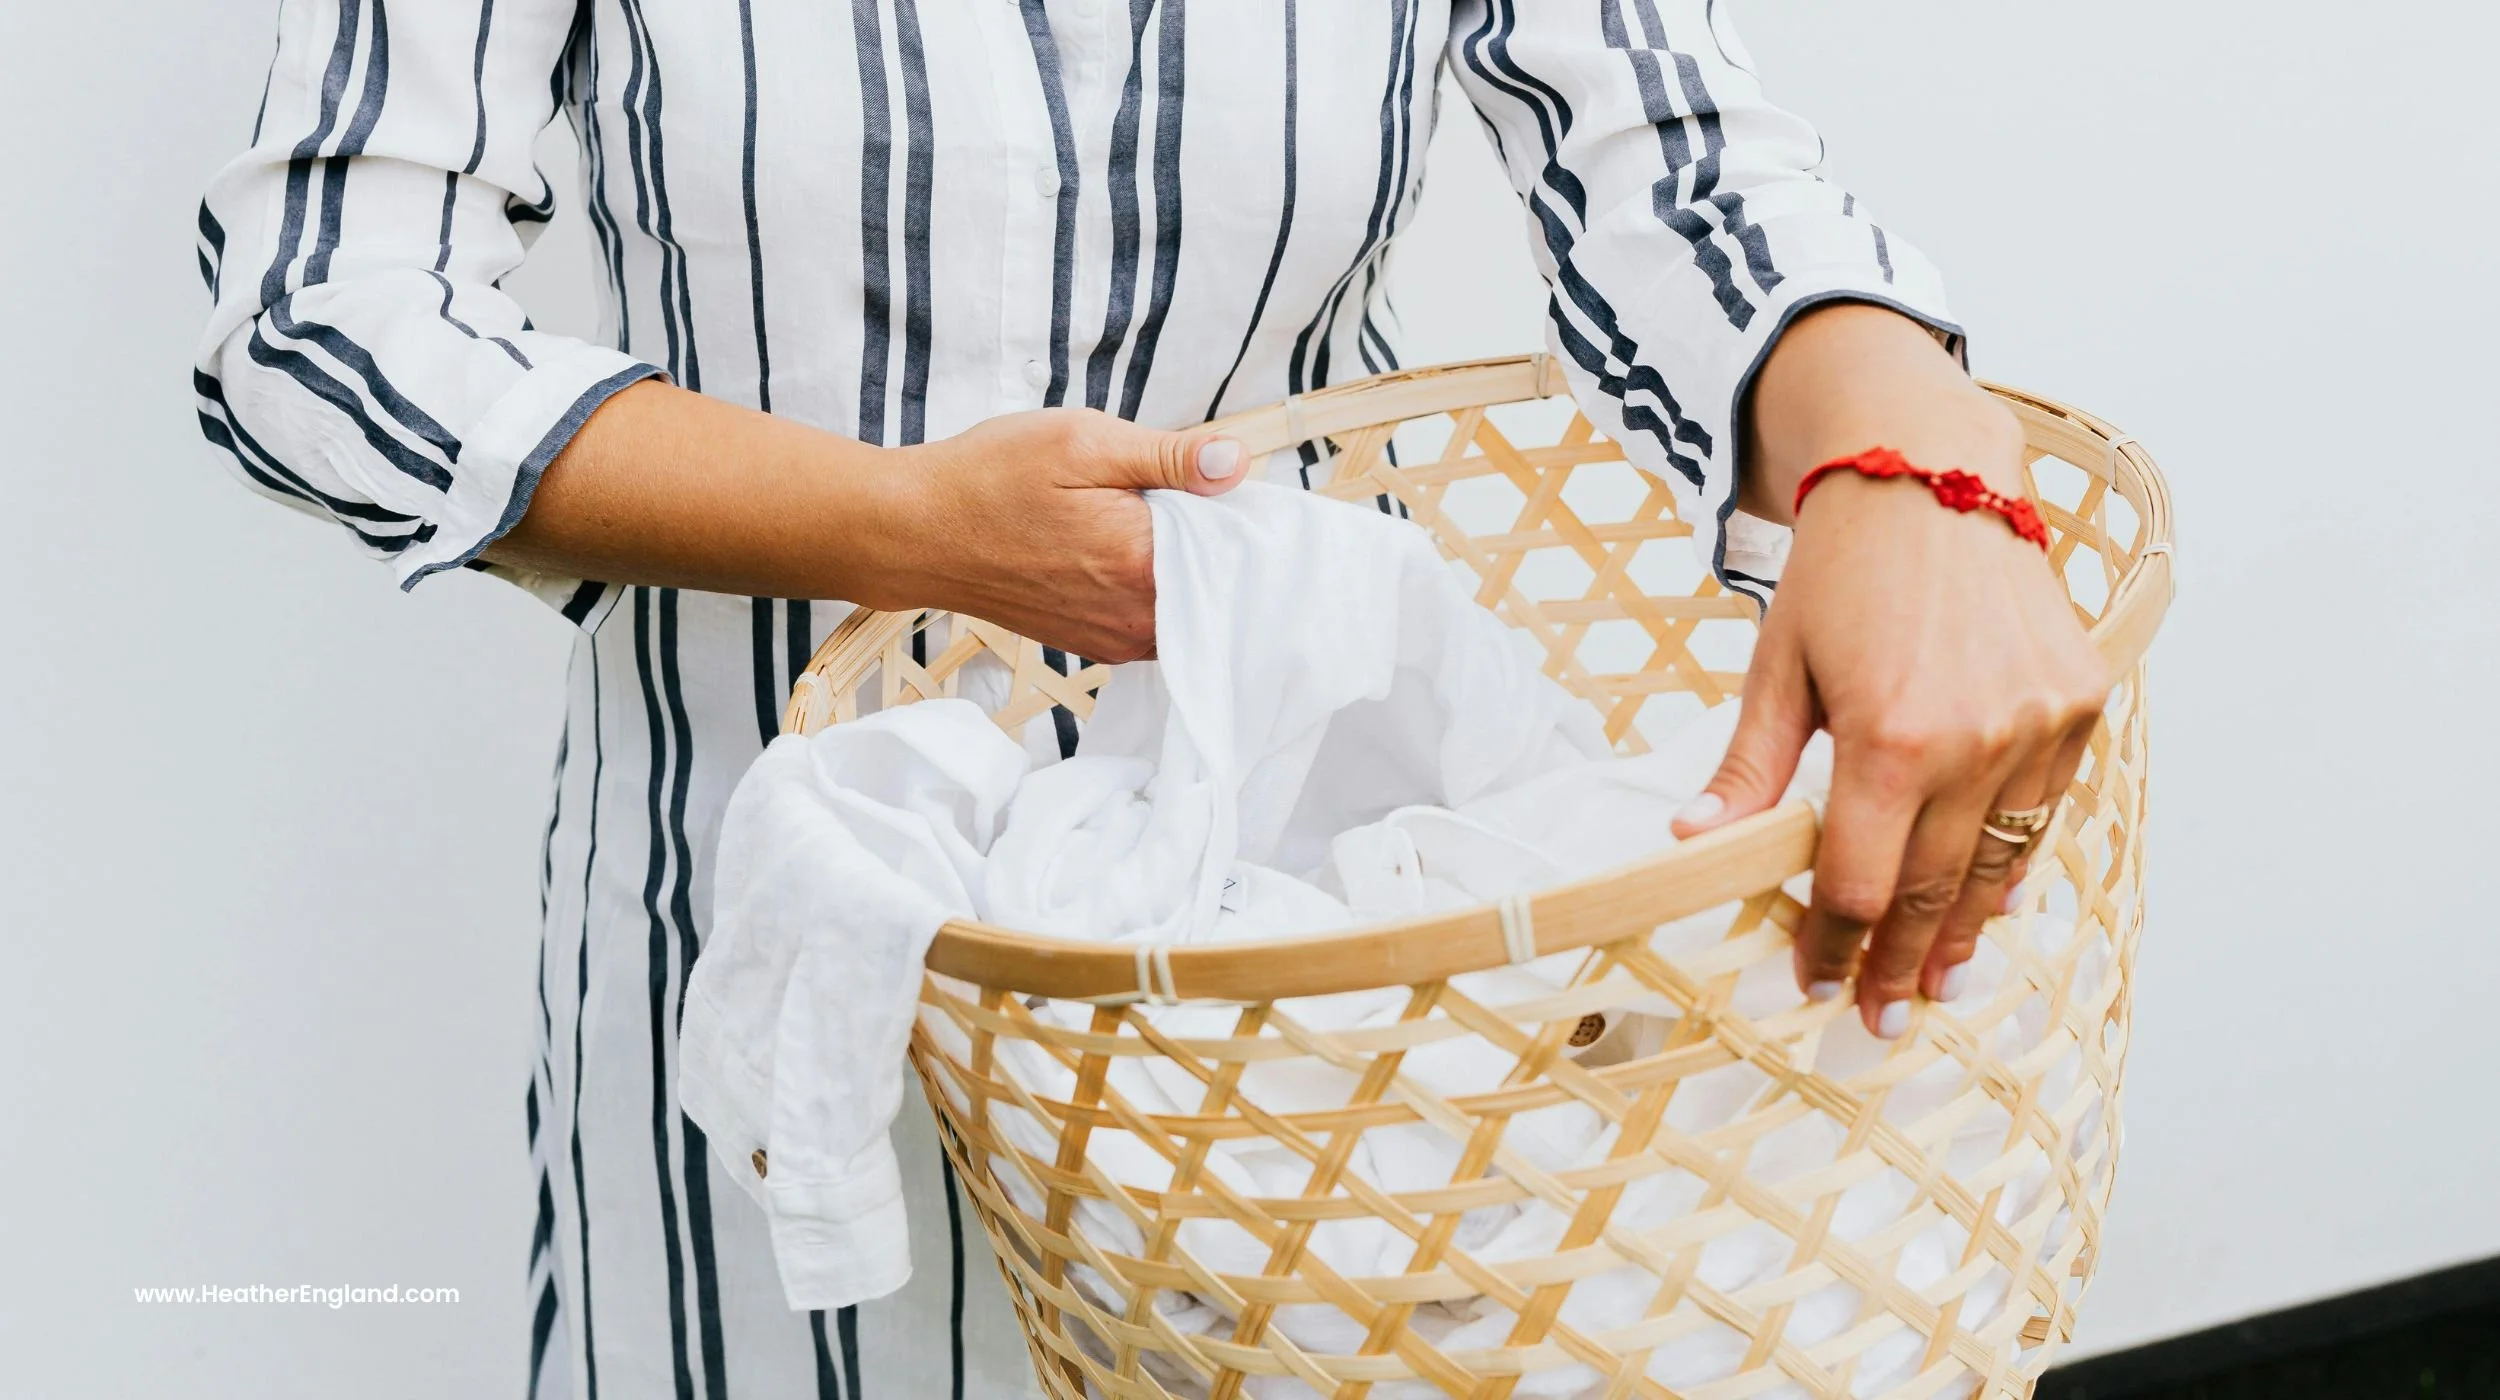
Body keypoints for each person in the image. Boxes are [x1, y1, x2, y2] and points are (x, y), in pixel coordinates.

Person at [193, 2, 2111, 1394]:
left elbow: (1671, 156)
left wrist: (1903, 458)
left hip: (1320, 949)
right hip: (790, 894)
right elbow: (321, 317)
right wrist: (907, 525)